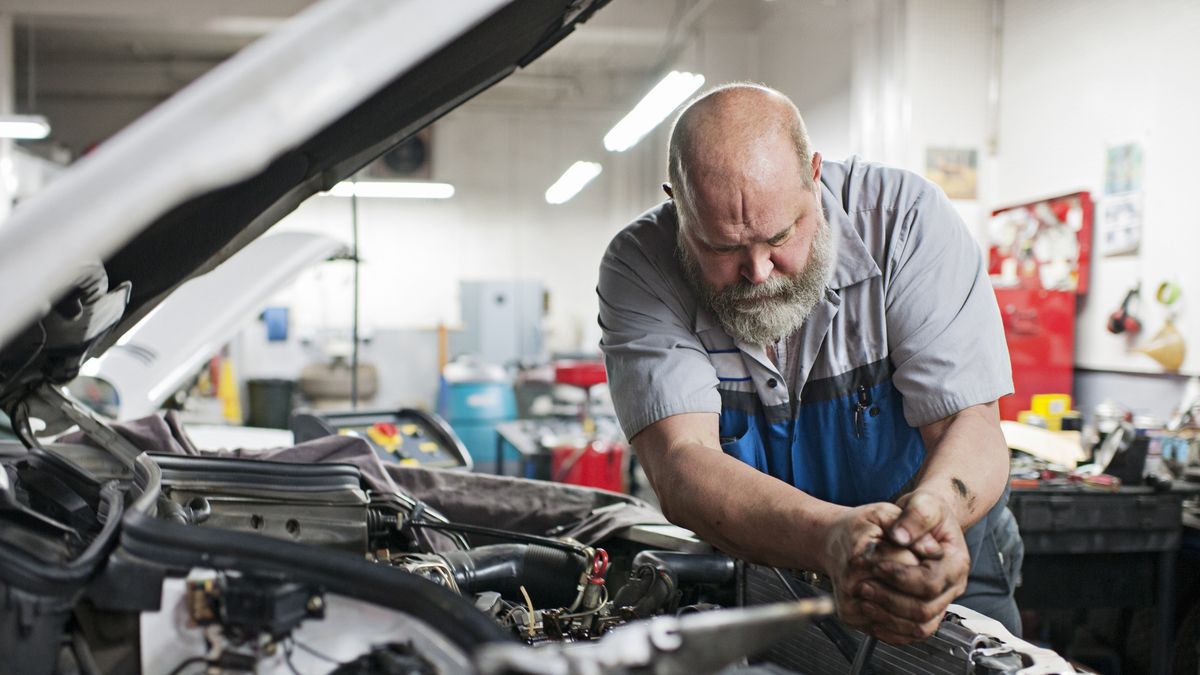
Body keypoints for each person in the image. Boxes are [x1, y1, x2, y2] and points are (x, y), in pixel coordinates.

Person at [597, 83, 1022, 644]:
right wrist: (830, 537)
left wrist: (934, 515)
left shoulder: (907, 223)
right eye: (722, 248)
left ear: (814, 176)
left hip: (936, 557)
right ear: (678, 204)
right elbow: (681, 461)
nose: (757, 270)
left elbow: (970, 421)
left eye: (780, 236)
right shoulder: (639, 266)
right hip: (764, 560)